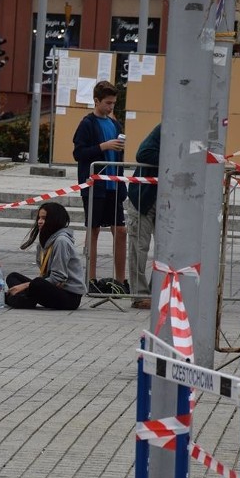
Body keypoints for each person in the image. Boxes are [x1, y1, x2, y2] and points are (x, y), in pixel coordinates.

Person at [73, 80, 129, 294]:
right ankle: (91, 278)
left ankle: (121, 280)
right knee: (93, 230)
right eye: (107, 103)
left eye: (113, 103)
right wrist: (103, 147)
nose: (110, 107)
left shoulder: (115, 124)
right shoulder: (87, 123)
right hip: (95, 186)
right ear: (96, 101)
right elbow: (79, 153)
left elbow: (119, 156)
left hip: (114, 186)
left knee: (121, 230)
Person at [4, 202, 86, 310]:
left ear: (54, 220)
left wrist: (24, 286)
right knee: (13, 277)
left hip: (69, 296)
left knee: (36, 283)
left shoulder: (62, 241)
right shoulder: (45, 241)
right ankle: (24, 299)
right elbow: (47, 276)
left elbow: (58, 277)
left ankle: (19, 299)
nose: (39, 221)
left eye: (44, 218)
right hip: (53, 286)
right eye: (39, 218)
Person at [126, 123, 161, 310]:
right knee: (139, 249)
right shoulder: (164, 129)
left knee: (166, 250)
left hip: (167, 202)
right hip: (143, 199)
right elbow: (142, 154)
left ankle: (156, 292)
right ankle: (139, 295)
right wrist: (174, 157)